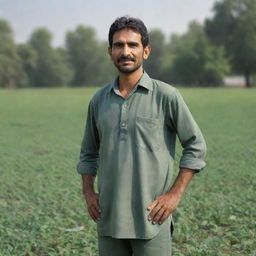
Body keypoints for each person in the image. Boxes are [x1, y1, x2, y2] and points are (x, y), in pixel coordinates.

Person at [77, 16, 207, 256]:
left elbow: (196, 146)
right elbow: (88, 152)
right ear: (110, 52)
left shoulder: (166, 96)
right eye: (119, 45)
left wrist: (173, 195)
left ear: (146, 51)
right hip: (109, 219)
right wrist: (88, 192)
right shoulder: (98, 100)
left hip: (151, 219)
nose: (125, 51)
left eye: (132, 45)